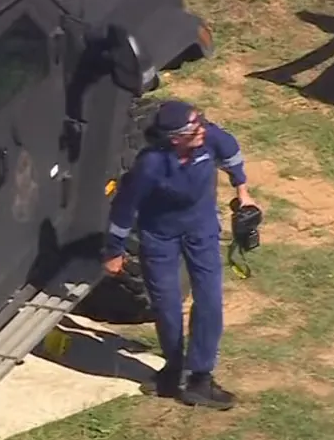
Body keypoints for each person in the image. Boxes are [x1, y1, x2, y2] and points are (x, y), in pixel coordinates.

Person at [102, 100, 257, 410]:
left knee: (210, 300)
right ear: (175, 138)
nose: (203, 129)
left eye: (200, 122)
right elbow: (124, 207)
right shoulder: (151, 165)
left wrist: (242, 190)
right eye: (194, 128)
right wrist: (114, 251)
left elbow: (231, 151)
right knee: (166, 304)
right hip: (159, 237)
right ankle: (172, 371)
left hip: (201, 231)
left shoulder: (209, 138)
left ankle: (200, 377)